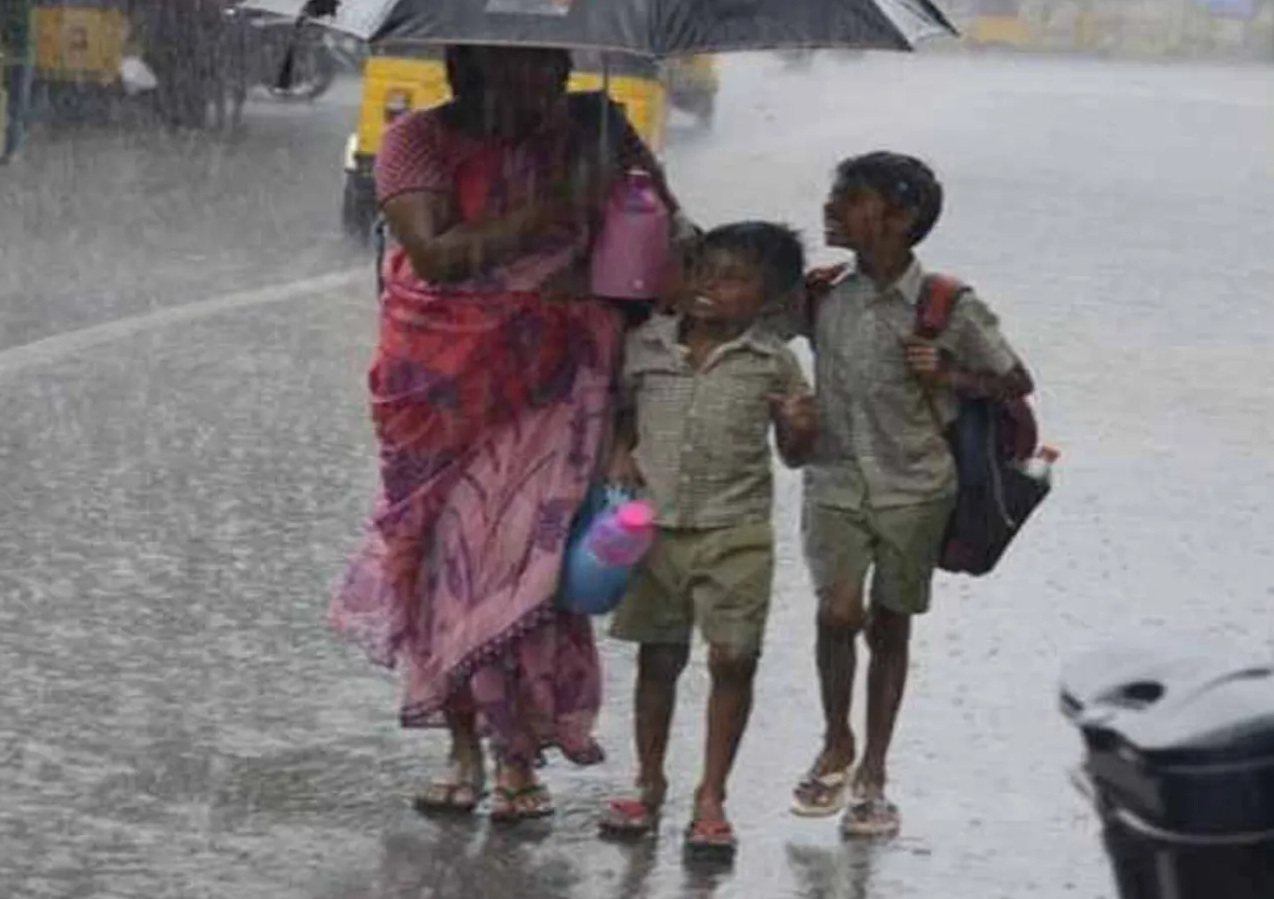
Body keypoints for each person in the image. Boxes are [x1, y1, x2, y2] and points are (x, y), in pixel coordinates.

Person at [329, 45, 679, 823]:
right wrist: (553, 207)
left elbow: (662, 235)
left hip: (560, 381)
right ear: (471, 70)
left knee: (529, 562)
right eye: (522, 67)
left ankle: (517, 754)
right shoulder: (417, 139)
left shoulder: (596, 126)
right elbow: (437, 253)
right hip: (441, 384)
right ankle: (461, 741)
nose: (547, 81)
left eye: (555, 66)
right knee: (448, 562)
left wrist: (612, 233)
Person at [791, 151, 1028, 838]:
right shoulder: (821, 293)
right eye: (834, 194)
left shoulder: (947, 304)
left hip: (916, 487)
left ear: (901, 218)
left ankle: (874, 774)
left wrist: (951, 371)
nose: (831, 208)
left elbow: (1014, 381)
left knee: (891, 623)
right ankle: (836, 739)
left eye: (849, 197)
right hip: (834, 480)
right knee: (837, 612)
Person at [596, 221, 818, 856]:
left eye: (732, 279)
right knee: (658, 658)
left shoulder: (774, 360)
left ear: (769, 300)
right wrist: (619, 453)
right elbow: (621, 411)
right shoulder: (647, 346)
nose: (708, 288)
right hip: (654, 528)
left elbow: (797, 454)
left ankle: (712, 795)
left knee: (733, 659)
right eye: (701, 272)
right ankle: (649, 780)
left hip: (735, 531)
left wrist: (799, 427)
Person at [142, 0, 214, 129]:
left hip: (182, 49)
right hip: (177, 49)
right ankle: (180, 119)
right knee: (178, 86)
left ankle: (181, 120)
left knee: (179, 87)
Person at [209, 0, 259, 130]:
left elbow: (218, 0)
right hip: (241, 28)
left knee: (222, 73)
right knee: (239, 75)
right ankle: (235, 118)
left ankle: (221, 117)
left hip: (223, 27)